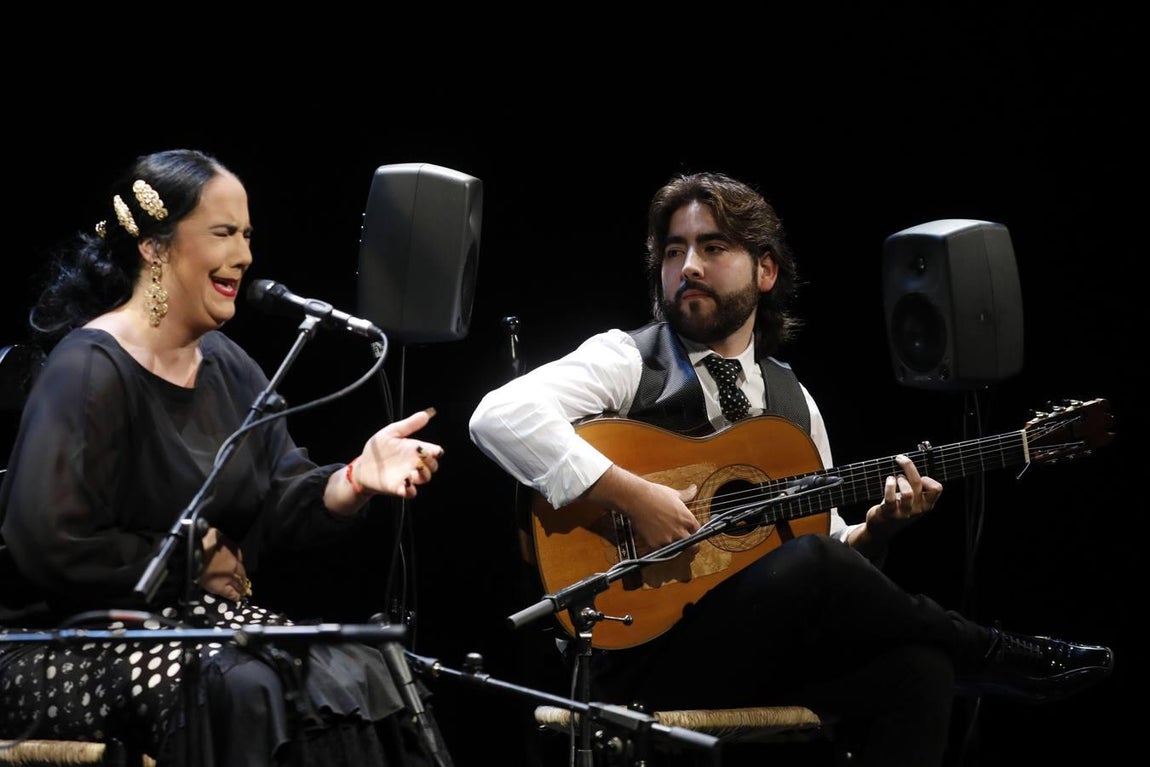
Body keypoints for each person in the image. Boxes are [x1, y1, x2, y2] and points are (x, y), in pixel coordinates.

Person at [468, 171, 1115, 766]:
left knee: (920, 669)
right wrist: (635, 496)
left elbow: (823, 552)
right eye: (673, 250)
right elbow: (500, 415)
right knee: (818, 567)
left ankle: (967, 655)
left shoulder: (793, 403)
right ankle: (993, 652)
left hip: (754, 652)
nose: (688, 266)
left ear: (766, 270)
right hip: (635, 652)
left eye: (713, 247)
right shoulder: (628, 360)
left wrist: (877, 530)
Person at [0, 149, 451, 767]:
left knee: (367, 669)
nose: (244, 255)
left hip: (194, 626)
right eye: (223, 233)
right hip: (67, 638)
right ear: (155, 248)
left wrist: (356, 478)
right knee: (249, 688)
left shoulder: (229, 365)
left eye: (247, 234)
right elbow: (50, 542)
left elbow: (283, 496)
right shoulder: (88, 368)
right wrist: (189, 562)